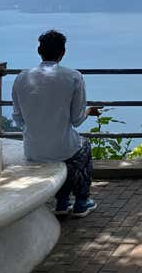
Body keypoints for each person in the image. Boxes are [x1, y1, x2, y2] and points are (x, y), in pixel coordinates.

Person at [12, 29, 102, 218]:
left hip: (33, 150)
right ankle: (82, 202)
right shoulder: (73, 77)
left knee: (67, 151)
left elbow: (18, 119)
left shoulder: (21, 78)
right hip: (63, 148)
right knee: (83, 146)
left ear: (39, 51)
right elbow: (77, 120)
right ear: (63, 52)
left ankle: (62, 202)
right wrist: (88, 111)